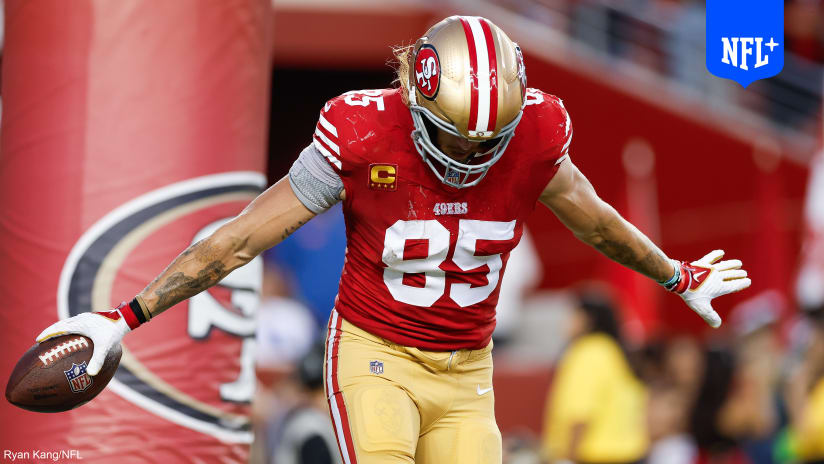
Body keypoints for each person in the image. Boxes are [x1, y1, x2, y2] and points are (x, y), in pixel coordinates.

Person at [36, 16, 751, 464]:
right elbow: (240, 239)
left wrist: (675, 276)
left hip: (468, 369)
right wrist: (127, 314)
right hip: (376, 353)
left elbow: (594, 217)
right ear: (416, 98)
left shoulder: (536, 132)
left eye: (488, 140)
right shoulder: (359, 132)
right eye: (455, 136)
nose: (473, 156)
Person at [541, 291, 648, 463]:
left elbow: (580, 412)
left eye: (573, 315)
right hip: (630, 455)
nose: (566, 322)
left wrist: (569, 458)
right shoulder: (614, 350)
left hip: (597, 457)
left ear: (587, 320)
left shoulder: (588, 352)